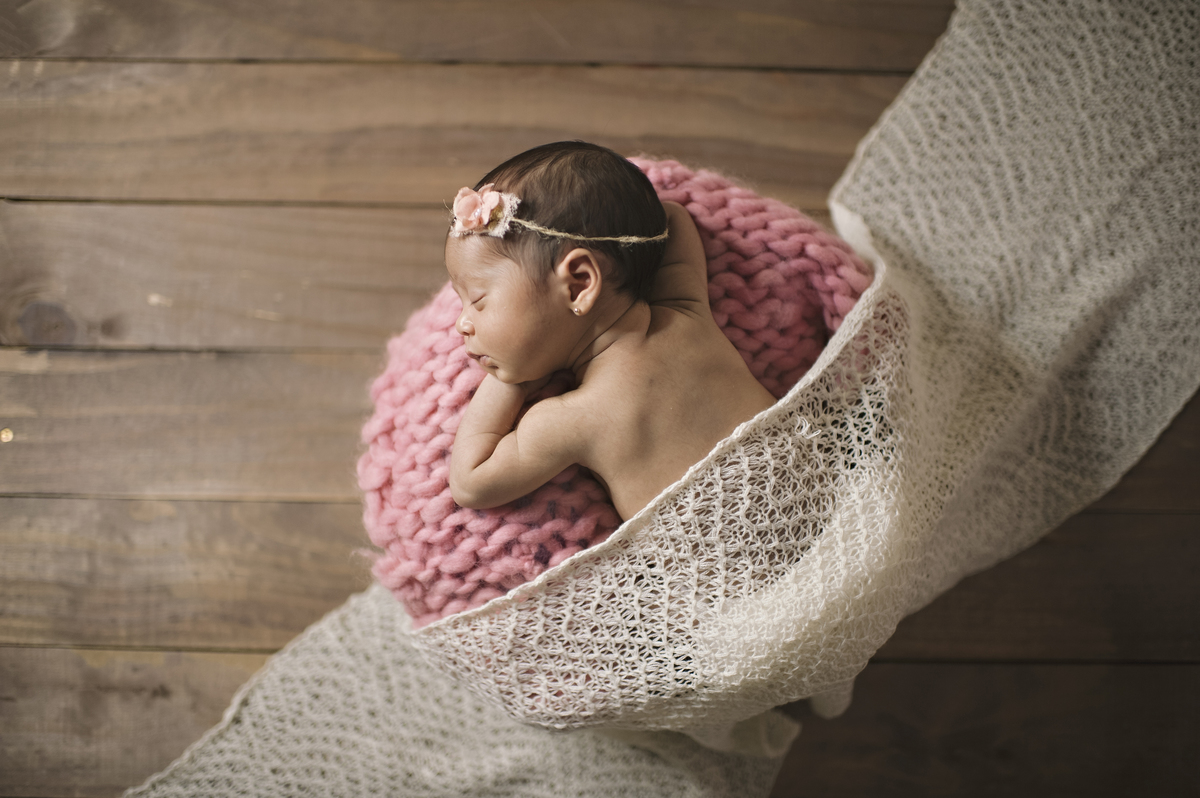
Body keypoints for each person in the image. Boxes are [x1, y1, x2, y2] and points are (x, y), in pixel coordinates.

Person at [447, 141, 776, 521]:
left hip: (730, 574)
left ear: (579, 283)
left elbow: (470, 484)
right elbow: (674, 218)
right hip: (824, 500)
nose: (461, 323)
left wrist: (510, 378)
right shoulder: (686, 313)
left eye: (479, 300)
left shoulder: (570, 420)